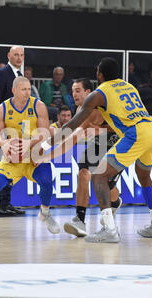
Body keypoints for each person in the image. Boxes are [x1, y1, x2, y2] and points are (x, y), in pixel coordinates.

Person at [42, 57, 152, 243]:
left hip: (134, 134)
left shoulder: (98, 94)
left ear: (99, 74)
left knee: (99, 175)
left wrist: (46, 145)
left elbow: (74, 125)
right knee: (144, 177)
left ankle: (109, 229)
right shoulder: (128, 86)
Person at [0, 76, 57, 237]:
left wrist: (30, 143)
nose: (27, 92)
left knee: (47, 182)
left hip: (34, 157)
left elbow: (45, 134)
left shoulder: (39, 106)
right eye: (24, 89)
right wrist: (4, 144)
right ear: (13, 90)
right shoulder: (1, 109)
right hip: (13, 157)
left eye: (29, 89)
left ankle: (45, 212)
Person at [61, 78, 122, 238]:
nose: (74, 94)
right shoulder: (80, 109)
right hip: (97, 145)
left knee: (107, 186)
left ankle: (115, 202)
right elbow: (73, 137)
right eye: (73, 90)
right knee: (83, 174)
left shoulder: (102, 105)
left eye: (78, 90)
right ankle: (79, 221)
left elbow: (121, 126)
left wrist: (99, 131)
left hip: (116, 144)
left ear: (88, 92)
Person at [0, 46, 26, 216]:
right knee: (1, 166)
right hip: (4, 129)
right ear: (9, 56)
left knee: (13, 165)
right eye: (16, 55)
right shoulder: (2, 73)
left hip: (18, 130)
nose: (19, 58)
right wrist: (0, 129)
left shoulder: (20, 76)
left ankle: (6, 203)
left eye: (21, 55)